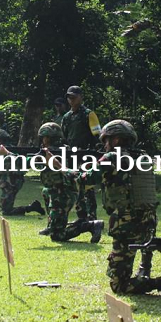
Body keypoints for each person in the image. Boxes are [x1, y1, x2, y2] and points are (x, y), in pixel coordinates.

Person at [72, 119, 161, 296]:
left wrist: (60, 167)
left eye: (106, 140)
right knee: (123, 269)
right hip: (147, 223)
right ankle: (146, 270)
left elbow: (83, 181)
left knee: (119, 286)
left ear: (115, 140)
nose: (105, 145)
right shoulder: (142, 156)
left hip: (126, 225)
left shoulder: (112, 157)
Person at [0, 122, 103, 243]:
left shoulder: (50, 153)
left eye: (43, 137)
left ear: (47, 138)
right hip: (57, 190)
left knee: (57, 236)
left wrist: (7, 153)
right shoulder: (65, 149)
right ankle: (52, 225)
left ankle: (90, 226)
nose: (42, 140)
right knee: (46, 191)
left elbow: (24, 162)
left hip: (62, 194)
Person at [0, 130, 44, 217]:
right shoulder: (13, 149)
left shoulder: (0, 149)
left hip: (10, 182)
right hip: (14, 181)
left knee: (6, 211)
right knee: (4, 207)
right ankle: (32, 207)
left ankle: (32, 207)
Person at [61, 85, 101, 223]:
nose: (71, 100)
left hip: (86, 155)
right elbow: (64, 136)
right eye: (69, 97)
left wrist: (94, 155)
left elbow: (97, 135)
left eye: (74, 97)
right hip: (72, 156)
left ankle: (92, 216)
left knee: (88, 185)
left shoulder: (89, 114)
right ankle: (81, 216)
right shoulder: (67, 117)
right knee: (74, 184)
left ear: (80, 97)